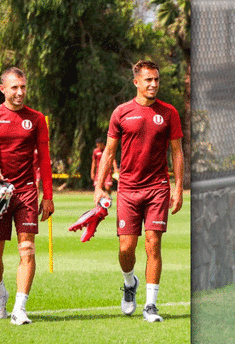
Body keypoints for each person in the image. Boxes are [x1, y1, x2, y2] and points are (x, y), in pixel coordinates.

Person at [94, 60, 184, 323]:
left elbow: (177, 152)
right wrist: (99, 186)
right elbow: (109, 152)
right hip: (128, 190)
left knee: (153, 243)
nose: (153, 84)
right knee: (126, 248)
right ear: (136, 82)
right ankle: (129, 282)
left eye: (156, 80)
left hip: (157, 187)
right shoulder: (121, 112)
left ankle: (151, 305)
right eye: (148, 80)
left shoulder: (169, 113)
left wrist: (178, 187)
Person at [0, 67, 54, 325]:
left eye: (23, 86)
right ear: (2, 89)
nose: (20, 92)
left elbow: (45, 161)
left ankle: (19, 308)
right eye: (14, 87)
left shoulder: (36, 119)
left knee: (27, 250)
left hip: (26, 192)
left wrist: (47, 196)